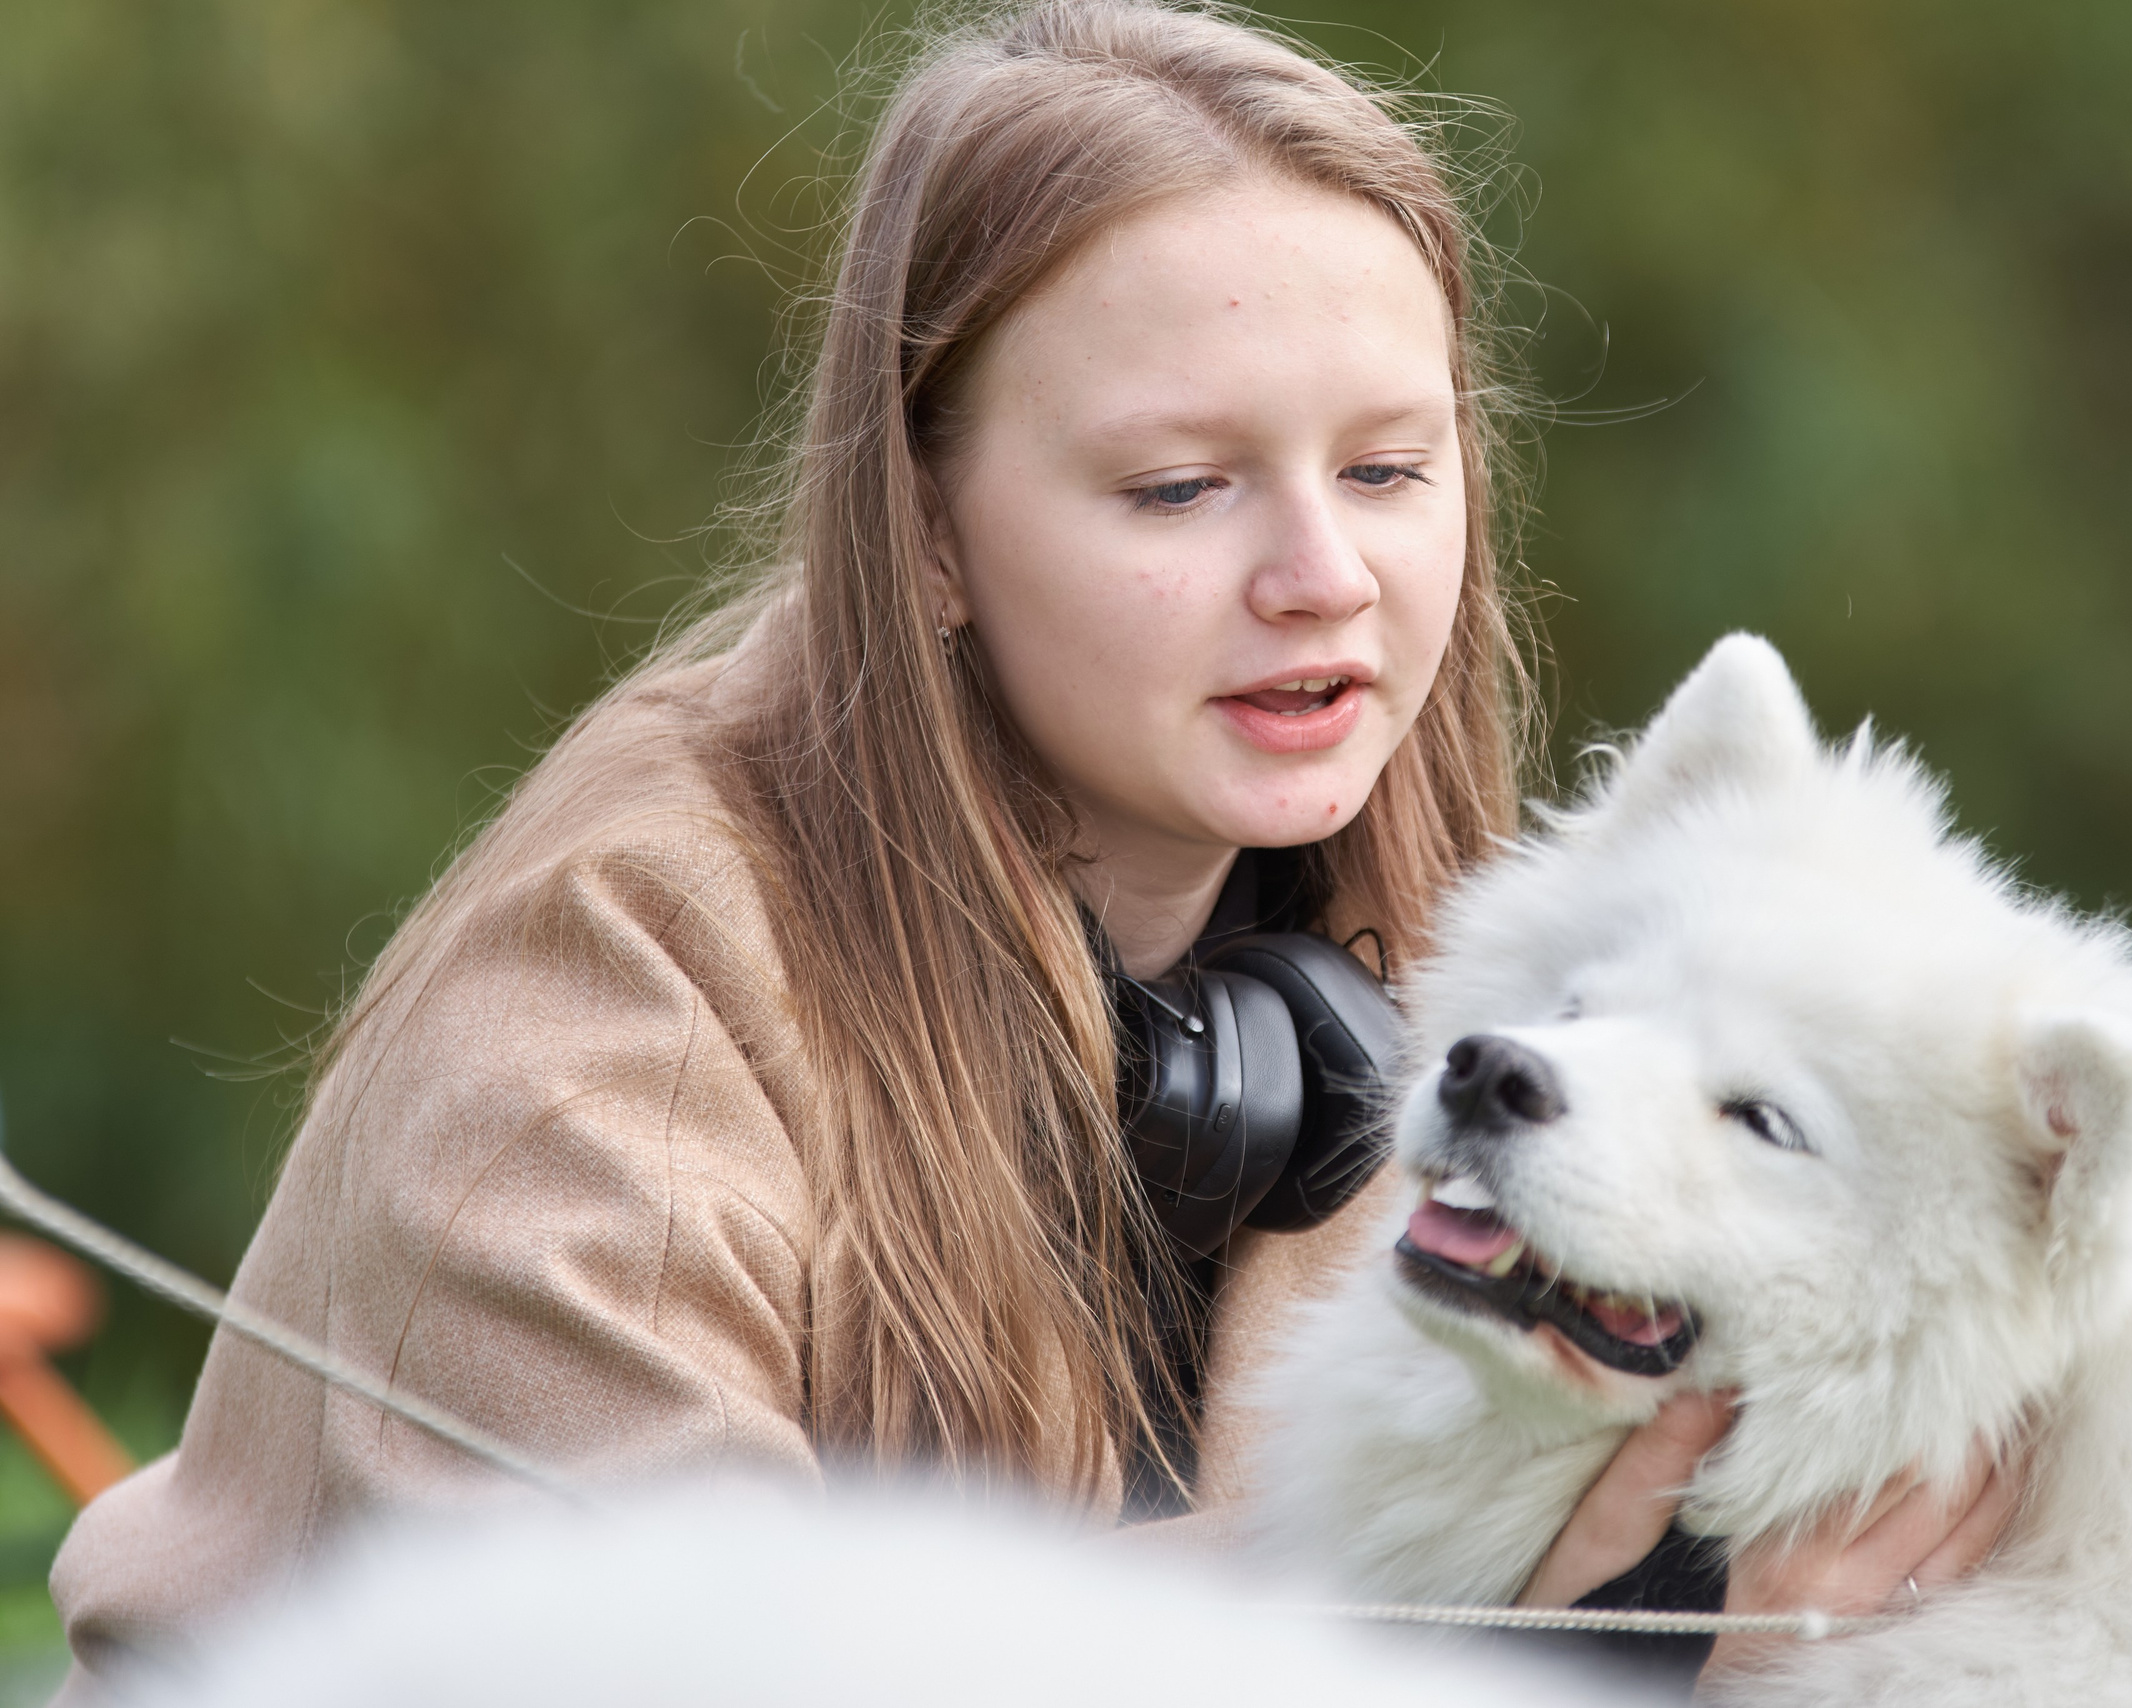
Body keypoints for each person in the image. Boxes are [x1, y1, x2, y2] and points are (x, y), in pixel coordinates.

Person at [47, 2, 2015, 1695]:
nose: (1323, 579)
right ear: (917, 531)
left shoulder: (1437, 958)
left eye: (1391, 469)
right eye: (1178, 484)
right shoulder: (602, 1008)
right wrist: (1464, 1612)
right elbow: (664, 1675)